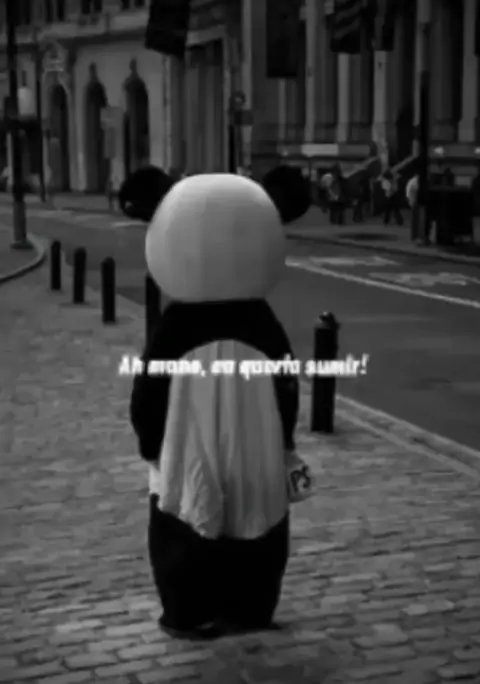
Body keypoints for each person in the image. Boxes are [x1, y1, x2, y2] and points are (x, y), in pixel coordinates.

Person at [130, 173, 299, 640]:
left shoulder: (175, 327)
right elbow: (287, 386)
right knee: (257, 522)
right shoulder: (262, 323)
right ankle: (250, 608)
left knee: (186, 517)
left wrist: (150, 442)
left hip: (186, 445)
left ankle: (188, 610)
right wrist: (285, 439)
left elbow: (148, 393)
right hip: (256, 445)